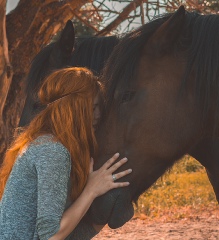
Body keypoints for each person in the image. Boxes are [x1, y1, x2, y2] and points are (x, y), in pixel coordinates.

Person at [0, 67, 132, 240]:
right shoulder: (52, 151)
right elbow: (52, 236)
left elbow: (61, 235)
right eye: (93, 108)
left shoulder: (47, 143)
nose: (99, 115)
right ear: (73, 108)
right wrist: (91, 190)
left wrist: (100, 217)